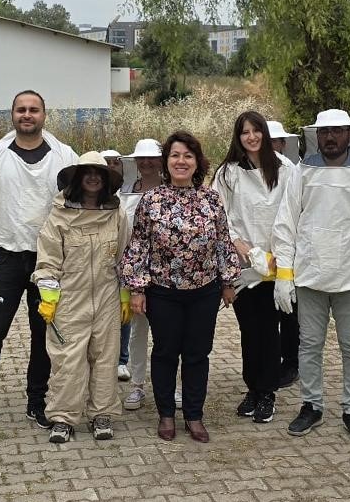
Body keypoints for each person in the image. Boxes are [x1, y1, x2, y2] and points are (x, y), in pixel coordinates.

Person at [273, 109, 350, 443]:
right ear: (316, 135)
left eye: (337, 131)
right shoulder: (302, 172)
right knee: (309, 346)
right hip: (310, 277)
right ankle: (311, 405)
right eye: (325, 132)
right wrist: (285, 275)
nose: (330, 137)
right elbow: (286, 224)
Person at [0, 90, 79, 436]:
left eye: (33, 110)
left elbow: (75, 209)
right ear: (11, 115)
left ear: (45, 115)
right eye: (20, 110)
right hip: (6, 260)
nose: (27, 115)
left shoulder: (64, 156)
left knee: (43, 333)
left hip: (48, 261)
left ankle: (37, 400)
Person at [120, 132, 238, 443]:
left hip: (205, 291)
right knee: (165, 353)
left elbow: (223, 242)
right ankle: (166, 416)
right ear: (165, 162)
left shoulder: (211, 199)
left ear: (197, 161)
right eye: (175, 155)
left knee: (198, 354)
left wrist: (228, 281)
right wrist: (137, 288)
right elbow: (139, 245)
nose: (181, 161)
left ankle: (195, 416)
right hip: (163, 291)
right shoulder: (152, 200)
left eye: (188, 155)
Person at [32, 151, 128, 443]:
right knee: (68, 360)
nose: (93, 177)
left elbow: (125, 258)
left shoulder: (117, 214)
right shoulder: (59, 215)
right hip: (70, 300)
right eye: (87, 172)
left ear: (106, 179)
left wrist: (126, 294)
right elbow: (47, 260)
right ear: (77, 177)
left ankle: (102, 415)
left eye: (98, 173)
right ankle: (62, 418)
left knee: (105, 357)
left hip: (107, 297)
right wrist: (48, 297)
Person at [212, 111, 299, 424]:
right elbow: (220, 214)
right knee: (250, 330)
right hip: (245, 266)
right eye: (244, 132)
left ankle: (268, 393)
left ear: (264, 133)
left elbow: (291, 212)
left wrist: (279, 253)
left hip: (276, 264)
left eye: (256, 131)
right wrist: (238, 244)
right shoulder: (228, 173)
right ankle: (253, 388)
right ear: (238, 137)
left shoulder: (286, 168)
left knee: (271, 330)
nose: (251, 137)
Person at [116, 138, 165, 407]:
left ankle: (171, 386)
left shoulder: (171, 189)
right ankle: (137, 385)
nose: (146, 163)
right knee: (137, 332)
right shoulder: (125, 192)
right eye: (141, 158)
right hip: (134, 273)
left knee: (168, 335)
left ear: (160, 161)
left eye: (151, 158)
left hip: (165, 273)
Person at [264, 120, 303, 389]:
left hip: (290, 255)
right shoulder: (249, 171)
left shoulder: (294, 171)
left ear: (284, 144)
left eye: (275, 142)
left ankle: (291, 364)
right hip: (260, 259)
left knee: (290, 316)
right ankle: (270, 364)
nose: (272, 147)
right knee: (267, 318)